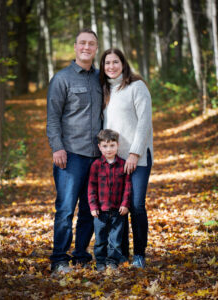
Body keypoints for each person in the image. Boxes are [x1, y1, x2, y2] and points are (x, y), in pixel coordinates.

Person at [46, 29, 102, 274]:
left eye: (91, 44)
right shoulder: (62, 78)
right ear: (76, 46)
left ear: (96, 48)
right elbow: (52, 118)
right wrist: (57, 147)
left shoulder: (101, 78)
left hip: (97, 156)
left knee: (90, 210)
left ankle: (81, 255)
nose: (86, 47)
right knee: (66, 209)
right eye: (82, 43)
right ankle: (59, 259)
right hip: (71, 155)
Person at [100, 48, 153, 269]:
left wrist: (134, 153)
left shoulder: (136, 87)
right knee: (116, 207)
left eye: (115, 62)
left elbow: (144, 122)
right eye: (107, 63)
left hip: (137, 157)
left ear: (123, 63)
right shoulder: (104, 90)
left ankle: (139, 254)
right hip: (114, 160)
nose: (111, 66)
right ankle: (120, 253)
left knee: (136, 205)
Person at [88, 129, 131, 271]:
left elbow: (127, 187)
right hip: (100, 211)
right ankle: (100, 261)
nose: (109, 149)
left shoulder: (123, 164)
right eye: (105, 146)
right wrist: (93, 206)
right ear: (99, 147)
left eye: (112, 145)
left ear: (117, 145)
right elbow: (91, 187)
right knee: (100, 239)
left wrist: (125, 204)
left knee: (115, 239)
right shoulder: (96, 165)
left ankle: (112, 261)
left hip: (118, 210)